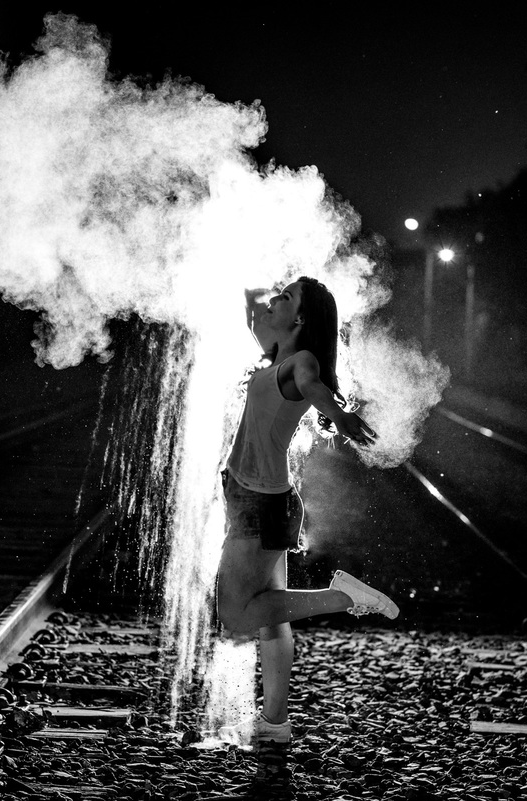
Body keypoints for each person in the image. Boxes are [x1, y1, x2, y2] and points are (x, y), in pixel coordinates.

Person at [216, 276, 399, 747]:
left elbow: (312, 386)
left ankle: (343, 597)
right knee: (271, 617)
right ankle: (275, 725)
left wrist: (338, 415)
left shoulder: (300, 362)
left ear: (300, 317)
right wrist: (266, 292)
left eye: (287, 296)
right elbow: (253, 307)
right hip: (262, 498)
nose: (275, 299)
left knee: (236, 615)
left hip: (259, 502)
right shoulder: (277, 352)